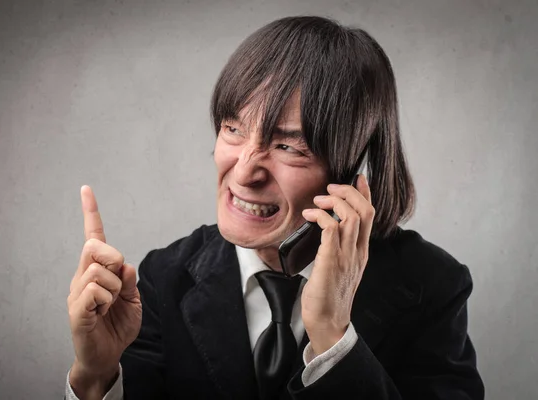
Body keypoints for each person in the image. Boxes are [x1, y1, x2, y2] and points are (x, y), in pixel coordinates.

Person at [65, 16, 484, 400]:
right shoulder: (162, 278)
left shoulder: (432, 286)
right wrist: (94, 377)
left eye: (287, 146)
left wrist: (333, 340)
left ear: (354, 172)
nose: (244, 172)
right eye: (233, 129)